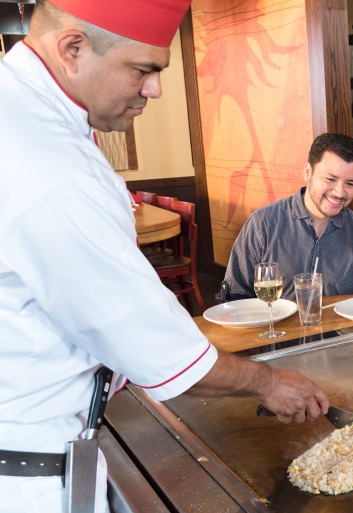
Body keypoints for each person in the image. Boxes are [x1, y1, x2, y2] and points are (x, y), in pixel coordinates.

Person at [0, 1, 328, 511]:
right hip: (25, 469)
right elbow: (146, 337)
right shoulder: (44, 160)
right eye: (143, 69)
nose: (154, 88)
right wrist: (266, 381)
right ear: (73, 48)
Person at [222, 133, 353, 300]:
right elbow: (235, 295)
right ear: (307, 172)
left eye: (350, 184)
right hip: (272, 325)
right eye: (330, 179)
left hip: (341, 326)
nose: (340, 192)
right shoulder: (263, 224)